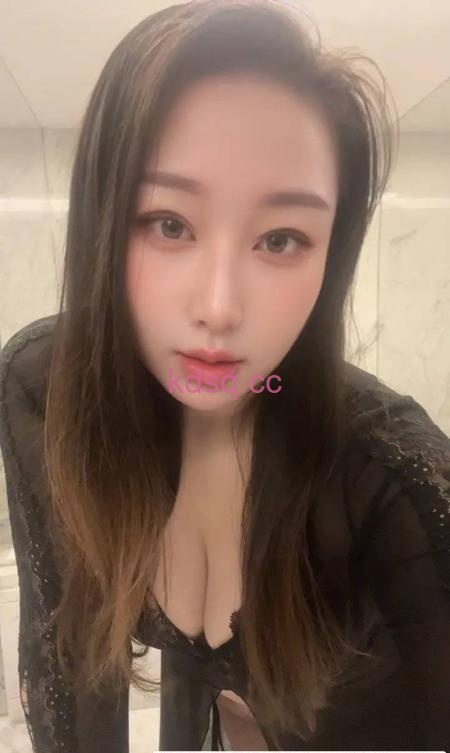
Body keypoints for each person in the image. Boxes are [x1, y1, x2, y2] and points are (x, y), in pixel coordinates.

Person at [0, 0, 449, 750]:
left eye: (281, 238)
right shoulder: (46, 389)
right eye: (169, 224)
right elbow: (67, 670)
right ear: (103, 221)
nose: (219, 307)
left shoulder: (393, 493)